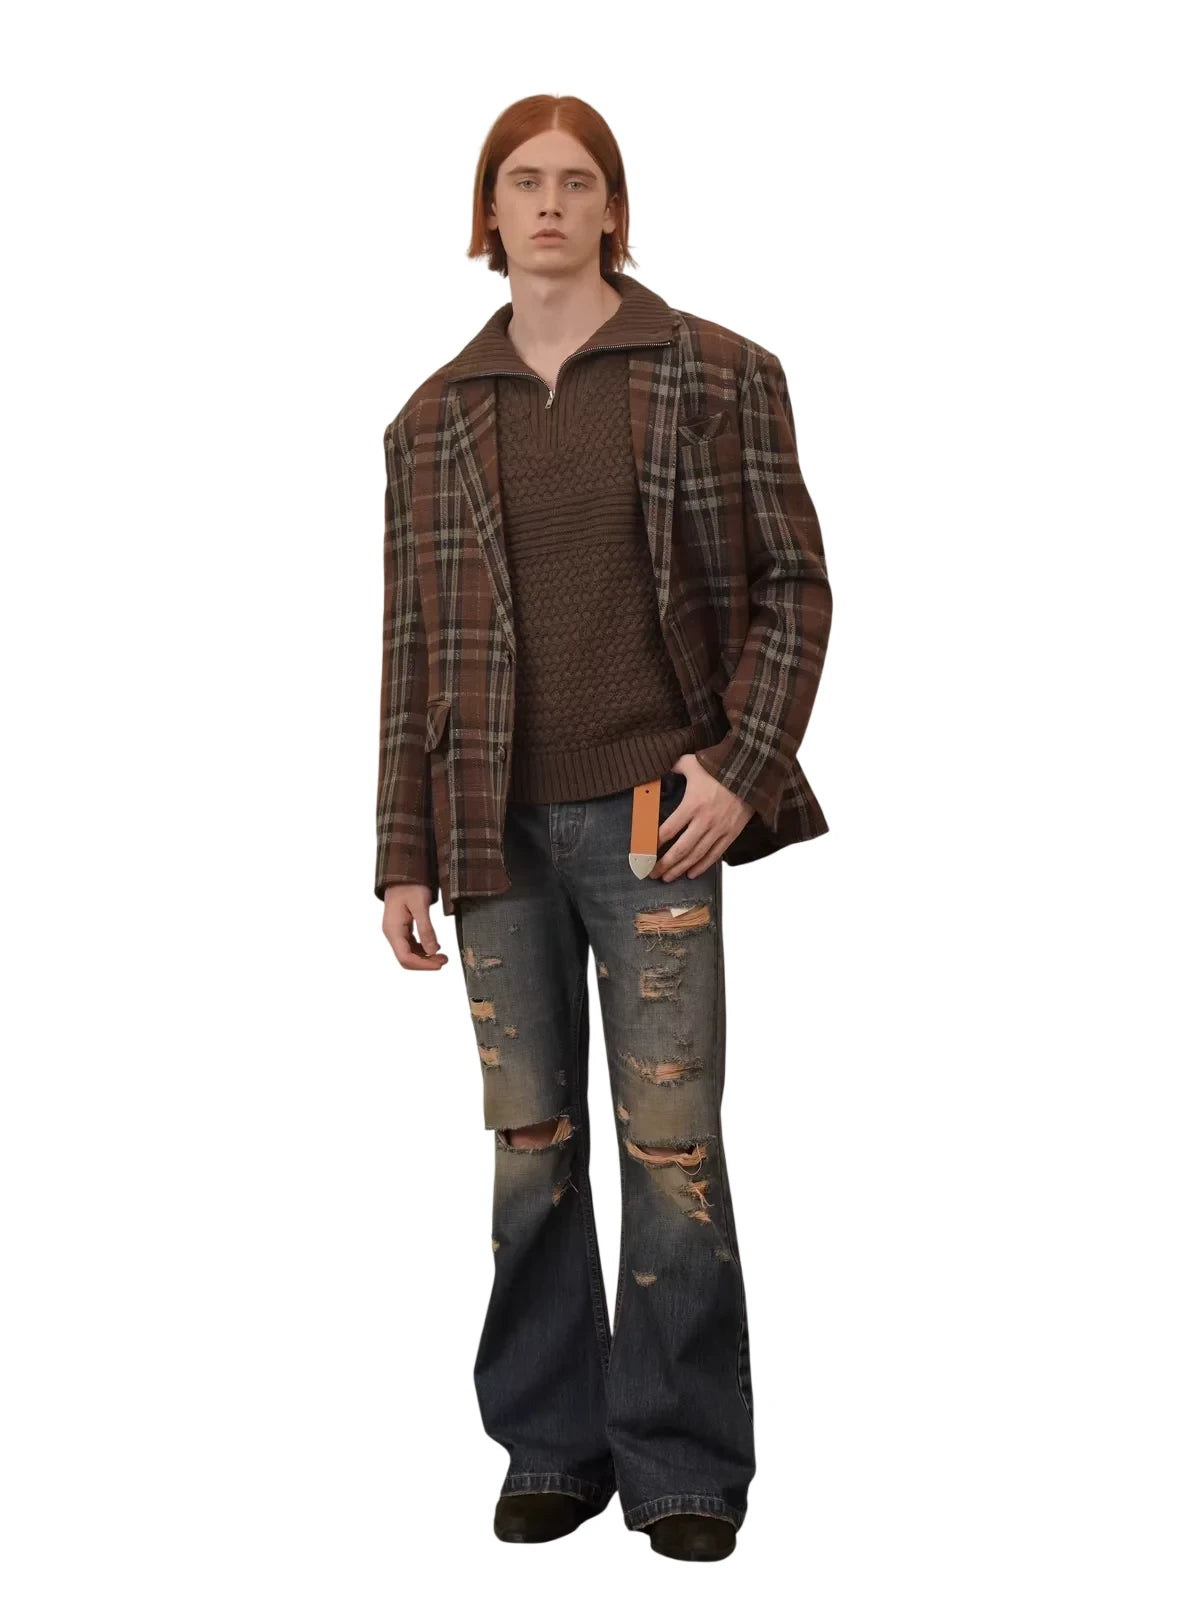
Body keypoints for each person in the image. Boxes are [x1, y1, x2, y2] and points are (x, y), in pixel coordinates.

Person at [375, 94, 832, 1562]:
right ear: (489, 212)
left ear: (614, 209)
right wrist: (400, 852)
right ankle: (552, 1446)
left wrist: (740, 770)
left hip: (654, 817)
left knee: (672, 1146)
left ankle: (685, 1461)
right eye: (525, 182)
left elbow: (793, 588)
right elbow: (411, 651)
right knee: (529, 1149)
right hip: (490, 835)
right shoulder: (430, 421)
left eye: (578, 182)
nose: (552, 204)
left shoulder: (718, 373)